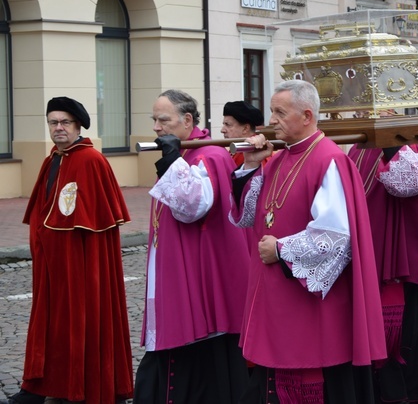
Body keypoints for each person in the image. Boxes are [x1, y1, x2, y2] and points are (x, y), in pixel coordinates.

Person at [229, 80, 386, 404]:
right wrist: (252, 164)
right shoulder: (279, 158)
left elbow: (336, 236)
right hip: (274, 291)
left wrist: (282, 250)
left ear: (306, 115)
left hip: (307, 302)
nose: (271, 120)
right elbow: (248, 216)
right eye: (272, 111)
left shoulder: (327, 159)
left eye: (279, 112)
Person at [10, 97, 132, 404]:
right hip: (52, 262)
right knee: (51, 321)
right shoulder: (53, 158)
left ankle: (83, 385)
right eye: (53, 123)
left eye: (64, 122)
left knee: (79, 319)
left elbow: (94, 223)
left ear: (77, 125)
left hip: (80, 262)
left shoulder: (90, 160)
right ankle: (45, 385)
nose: (58, 128)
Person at [134, 90, 251, 403]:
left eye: (164, 120)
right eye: (154, 120)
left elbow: (192, 208)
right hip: (177, 265)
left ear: (187, 120)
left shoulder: (208, 154)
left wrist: (171, 161)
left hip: (202, 275)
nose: (157, 128)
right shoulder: (187, 152)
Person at [348, 118, 418, 402]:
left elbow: (406, 185)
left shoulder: (411, 143)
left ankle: (408, 392)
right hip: (366, 254)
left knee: (405, 335)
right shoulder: (359, 145)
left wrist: (389, 146)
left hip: (399, 262)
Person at [222, 100, 265, 166]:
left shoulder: (255, 152)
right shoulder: (238, 148)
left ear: (245, 128)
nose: (222, 130)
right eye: (224, 124)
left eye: (228, 124)